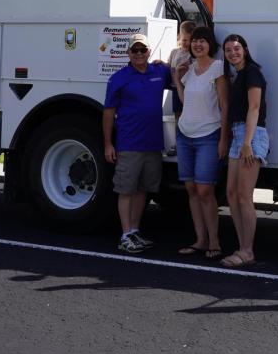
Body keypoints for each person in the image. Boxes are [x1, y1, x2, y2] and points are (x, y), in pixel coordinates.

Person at [102, 33, 170, 253]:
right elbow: (108, 113)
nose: (139, 54)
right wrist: (108, 144)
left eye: (143, 50)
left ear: (150, 51)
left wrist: (167, 63)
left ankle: (134, 231)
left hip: (152, 144)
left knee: (143, 190)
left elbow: (182, 73)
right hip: (129, 143)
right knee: (126, 190)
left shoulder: (159, 71)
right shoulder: (119, 78)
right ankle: (125, 235)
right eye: (135, 50)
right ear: (128, 53)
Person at [173, 26, 227, 260]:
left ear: (210, 45)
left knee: (205, 189)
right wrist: (177, 79)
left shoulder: (218, 68)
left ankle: (214, 242)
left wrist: (224, 139)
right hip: (185, 134)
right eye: (195, 41)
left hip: (208, 135)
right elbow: (186, 101)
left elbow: (225, 106)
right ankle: (200, 240)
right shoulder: (191, 69)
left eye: (203, 41)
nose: (197, 44)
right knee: (191, 189)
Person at [221, 33, 268, 268]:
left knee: (243, 196)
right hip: (238, 136)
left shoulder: (252, 73)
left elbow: (255, 108)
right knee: (230, 193)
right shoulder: (237, 75)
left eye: (237, 49)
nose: (233, 53)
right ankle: (242, 246)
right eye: (228, 50)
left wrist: (247, 143)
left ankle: (247, 251)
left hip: (252, 135)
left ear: (245, 50)